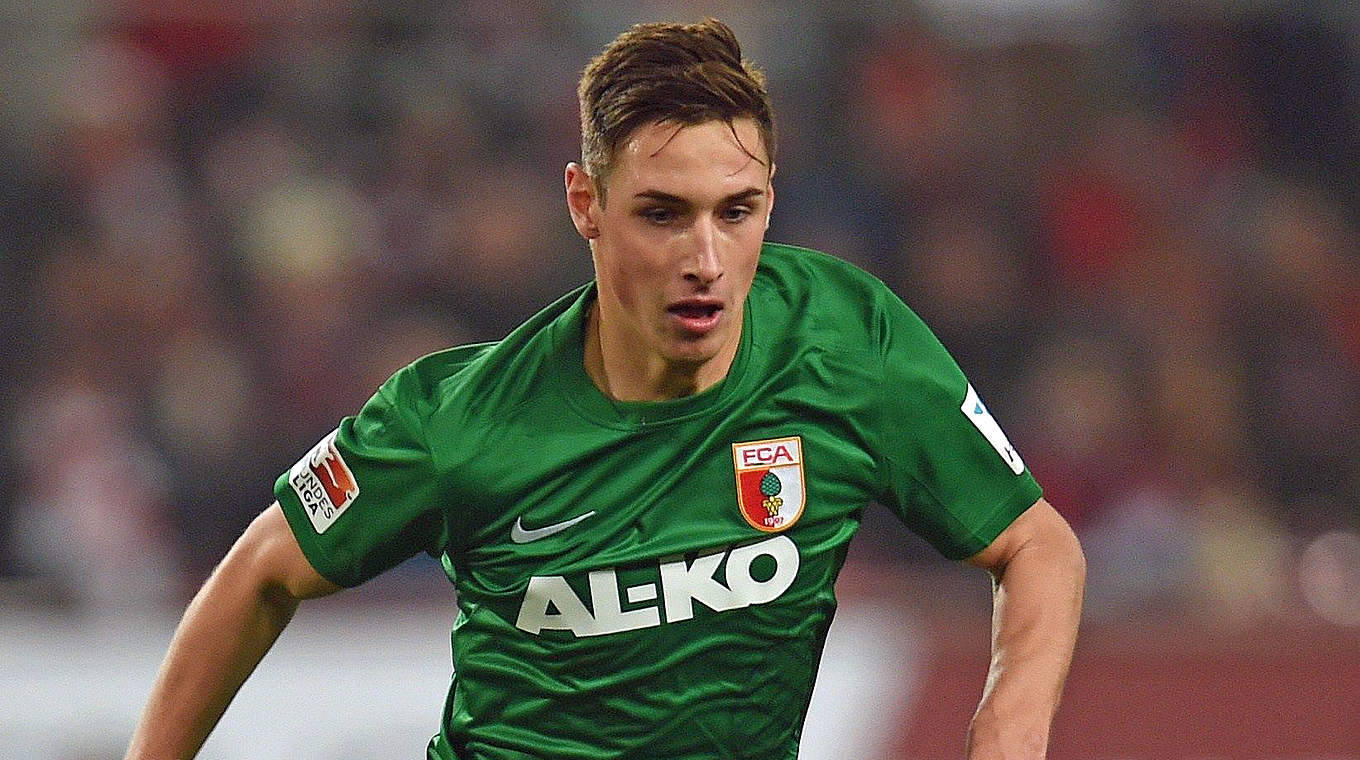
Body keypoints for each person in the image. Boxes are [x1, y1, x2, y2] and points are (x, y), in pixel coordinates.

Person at [125, 18, 1085, 760]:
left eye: (737, 211)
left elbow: (1037, 543)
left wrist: (1008, 720)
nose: (705, 259)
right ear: (586, 203)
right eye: (662, 214)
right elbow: (262, 571)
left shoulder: (846, 344)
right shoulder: (459, 421)